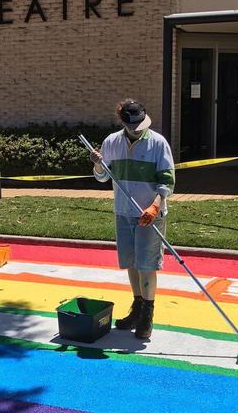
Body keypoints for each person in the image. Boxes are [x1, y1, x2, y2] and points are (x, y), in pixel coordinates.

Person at [90, 100, 175, 339]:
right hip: (123, 212)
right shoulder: (111, 142)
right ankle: (137, 309)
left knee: (146, 265)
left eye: (139, 124)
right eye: (132, 125)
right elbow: (102, 177)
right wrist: (98, 164)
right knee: (130, 262)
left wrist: (155, 206)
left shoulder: (158, 143)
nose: (136, 128)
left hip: (150, 214)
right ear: (123, 122)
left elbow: (167, 181)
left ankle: (147, 316)